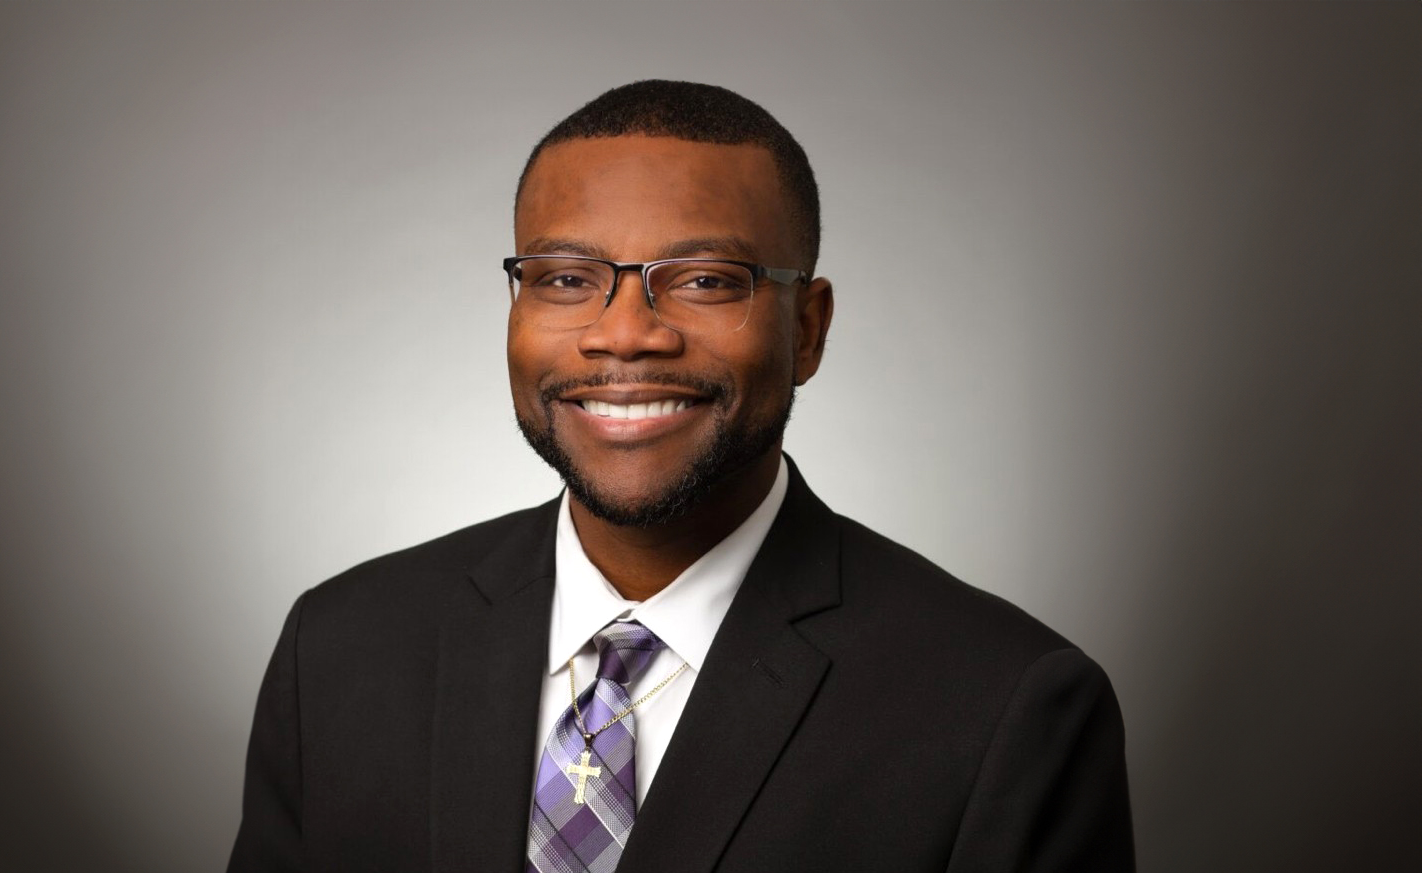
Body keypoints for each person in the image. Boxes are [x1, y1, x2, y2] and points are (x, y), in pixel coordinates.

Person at [227, 80, 1134, 873]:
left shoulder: (1004, 707)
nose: (625, 333)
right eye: (566, 277)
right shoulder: (340, 651)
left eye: (703, 280)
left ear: (808, 329)